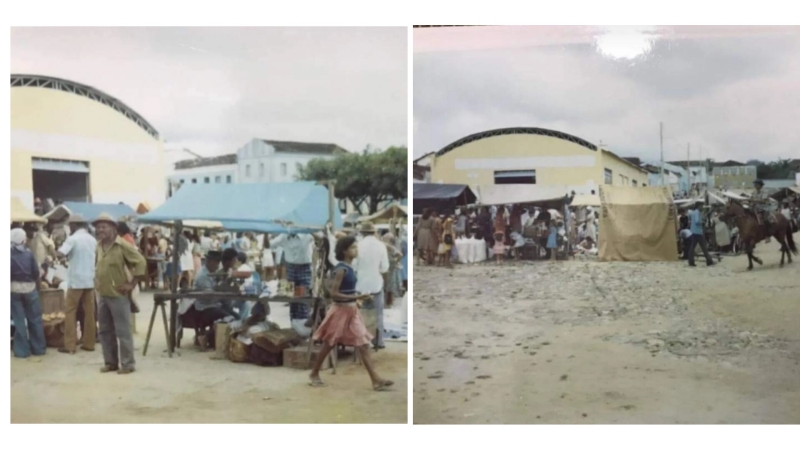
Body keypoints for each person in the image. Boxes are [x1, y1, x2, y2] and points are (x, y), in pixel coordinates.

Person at [308, 236, 394, 391]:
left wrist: (356, 300)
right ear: (344, 251)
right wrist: (357, 297)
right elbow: (334, 294)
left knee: (363, 344)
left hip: (351, 310)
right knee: (329, 344)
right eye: (353, 248)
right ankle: (314, 373)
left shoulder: (350, 267)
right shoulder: (341, 269)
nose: (356, 250)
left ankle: (376, 379)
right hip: (340, 311)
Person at [93, 213, 147, 374]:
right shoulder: (98, 245)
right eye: (98, 227)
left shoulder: (122, 245)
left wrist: (131, 284)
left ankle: (128, 364)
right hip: (103, 294)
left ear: (113, 228)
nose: (100, 230)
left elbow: (141, 262)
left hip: (118, 295)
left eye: (104, 227)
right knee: (104, 330)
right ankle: (110, 363)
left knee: (123, 331)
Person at [57, 214, 98, 354]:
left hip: (75, 281)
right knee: (89, 313)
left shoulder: (73, 239)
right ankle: (89, 343)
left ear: (74, 225)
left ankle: (70, 345)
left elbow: (60, 254)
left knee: (70, 311)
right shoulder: (92, 240)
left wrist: (63, 256)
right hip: (89, 280)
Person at [271, 231, 321, 336]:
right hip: (290, 269)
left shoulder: (307, 235)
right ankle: (294, 329)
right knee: (291, 300)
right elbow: (269, 245)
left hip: (305, 268)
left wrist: (309, 229)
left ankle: (304, 330)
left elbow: (321, 238)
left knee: (302, 299)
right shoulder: (284, 235)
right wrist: (267, 232)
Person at [10, 228, 46, 359]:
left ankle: (22, 352)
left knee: (19, 320)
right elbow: (36, 273)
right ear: (22, 239)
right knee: (35, 319)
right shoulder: (28, 253)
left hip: (13, 290)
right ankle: (39, 349)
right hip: (30, 289)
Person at [354, 222, 390, 349]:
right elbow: (385, 268)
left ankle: (361, 340)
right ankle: (378, 341)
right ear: (374, 232)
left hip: (360, 285)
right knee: (378, 314)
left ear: (362, 233)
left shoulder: (357, 245)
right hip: (376, 285)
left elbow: (354, 266)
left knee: (359, 315)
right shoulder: (381, 246)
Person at [687, 201, 715, 267]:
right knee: (704, 247)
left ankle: (691, 261)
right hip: (698, 232)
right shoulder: (697, 212)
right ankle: (709, 261)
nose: (702, 207)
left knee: (692, 247)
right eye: (701, 206)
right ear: (698, 206)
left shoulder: (693, 212)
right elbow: (697, 221)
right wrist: (702, 222)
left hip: (694, 231)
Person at [750, 179, 775, 243]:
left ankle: (767, 236)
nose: (754, 185)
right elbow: (751, 200)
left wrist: (753, 201)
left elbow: (764, 201)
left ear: (760, 185)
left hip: (765, 208)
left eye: (756, 184)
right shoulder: (754, 192)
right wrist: (749, 202)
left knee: (765, 220)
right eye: (754, 184)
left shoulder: (765, 191)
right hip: (756, 209)